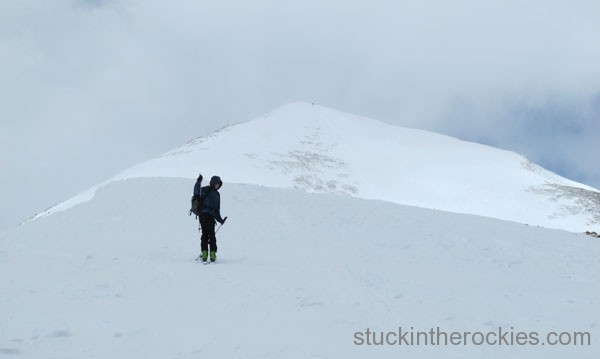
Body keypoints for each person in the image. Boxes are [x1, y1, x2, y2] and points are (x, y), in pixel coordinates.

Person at [198, 175, 227, 262]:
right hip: (204, 215)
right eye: (216, 184)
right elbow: (196, 192)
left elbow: (217, 210)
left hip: (208, 216)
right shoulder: (206, 189)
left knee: (209, 234)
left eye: (219, 184)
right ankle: (208, 254)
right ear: (213, 183)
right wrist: (198, 182)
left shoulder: (217, 194)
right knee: (208, 234)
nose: (217, 185)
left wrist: (220, 220)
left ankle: (209, 254)